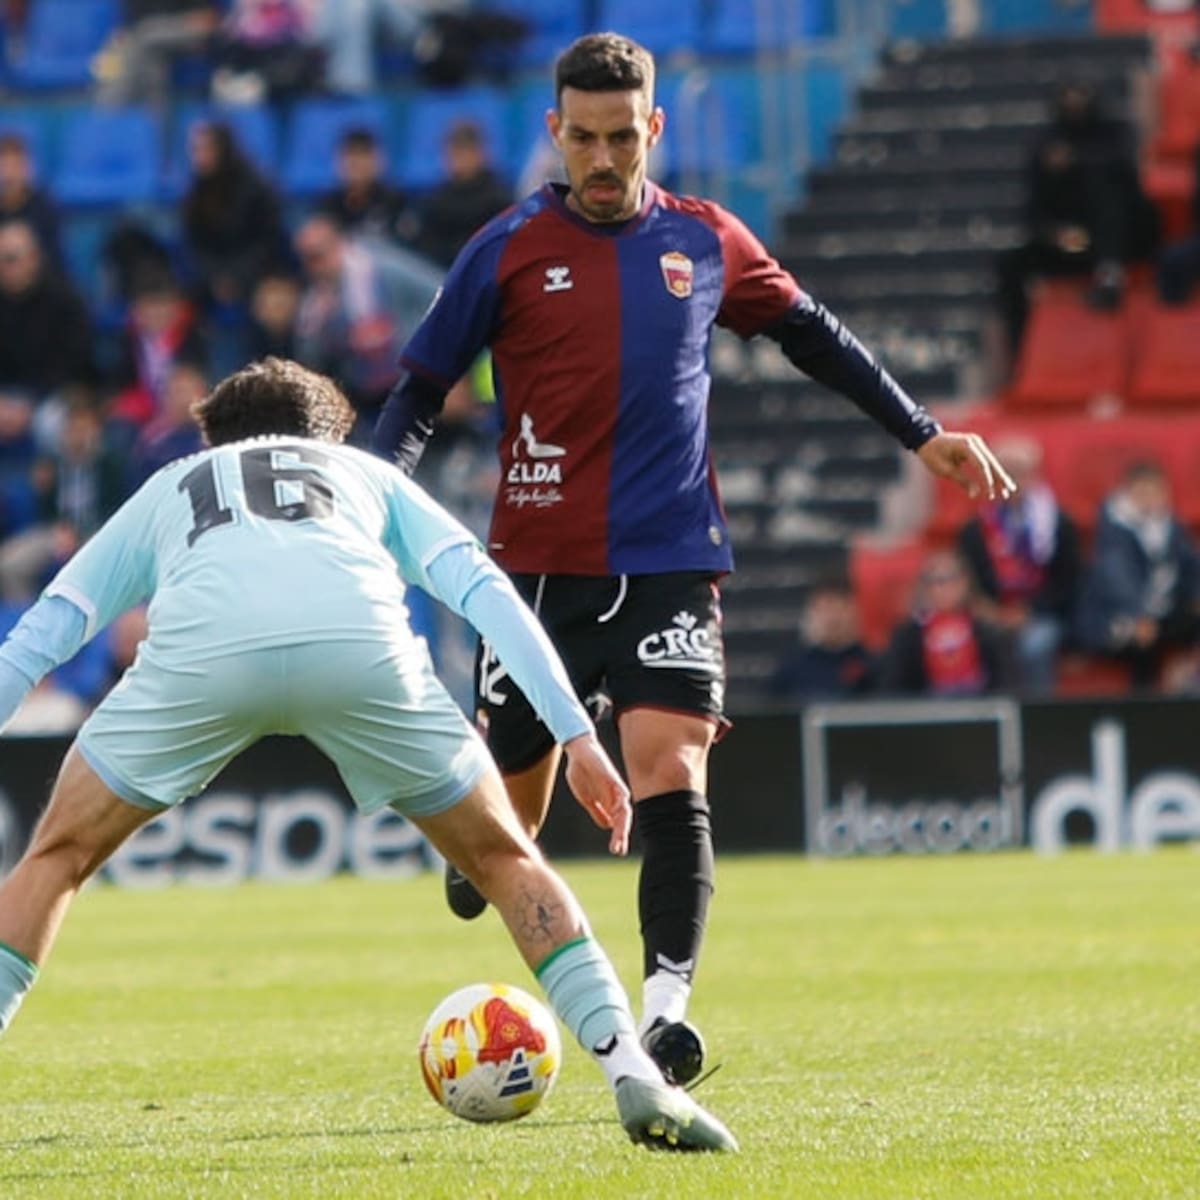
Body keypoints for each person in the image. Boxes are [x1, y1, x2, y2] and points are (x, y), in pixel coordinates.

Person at [372, 31, 1015, 1086]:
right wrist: (366, 496)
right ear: (554, 132)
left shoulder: (707, 239)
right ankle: (476, 851)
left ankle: (665, 1012)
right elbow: (415, 394)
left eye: (622, 137)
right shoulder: (504, 248)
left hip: (671, 557)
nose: (602, 158)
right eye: (582, 138)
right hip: (533, 573)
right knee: (508, 820)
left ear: (654, 130)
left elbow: (814, 332)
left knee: (670, 762)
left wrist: (920, 430)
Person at [0, 356, 736, 1153]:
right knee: (503, 858)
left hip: (205, 654)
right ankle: (632, 1068)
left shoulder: (176, 480)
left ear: (218, 436)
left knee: (58, 856)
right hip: (360, 646)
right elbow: (483, 589)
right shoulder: (361, 472)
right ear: (328, 431)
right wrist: (576, 734)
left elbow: (50, 626)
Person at [994, 81, 1160, 360]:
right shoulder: (1046, 148)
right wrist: (1053, 233)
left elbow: (1131, 188)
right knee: (1010, 264)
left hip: (1118, 243)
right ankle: (1019, 352)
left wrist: (1078, 161)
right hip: (1070, 244)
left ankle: (1110, 275)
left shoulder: (1113, 136)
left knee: (1104, 193)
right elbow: (1034, 211)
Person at [293, 214, 442, 434]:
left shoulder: (383, 269)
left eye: (320, 255)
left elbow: (441, 291)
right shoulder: (314, 304)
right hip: (365, 397)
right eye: (309, 260)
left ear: (338, 244)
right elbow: (310, 363)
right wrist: (319, 327)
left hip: (415, 378)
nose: (317, 267)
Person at [956, 434, 1080, 694]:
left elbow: (1070, 583)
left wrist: (1029, 611)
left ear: (1035, 476)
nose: (1012, 480)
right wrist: (989, 609)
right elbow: (968, 579)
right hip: (992, 614)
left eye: (1020, 472)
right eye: (1005, 472)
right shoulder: (976, 529)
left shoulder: (1058, 524)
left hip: (1042, 614)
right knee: (979, 640)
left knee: (1035, 644)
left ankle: (1035, 717)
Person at [1076, 459, 1200, 689]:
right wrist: (1138, 614)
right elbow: (1117, 578)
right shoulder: (1114, 529)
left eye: (1156, 492)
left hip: (1162, 611)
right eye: (1143, 492)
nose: (1150, 498)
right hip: (1114, 616)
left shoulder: (1171, 526)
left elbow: (1191, 565)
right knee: (1142, 640)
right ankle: (1142, 710)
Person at [877, 549, 1016, 696]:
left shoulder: (987, 632)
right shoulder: (908, 636)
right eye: (935, 581)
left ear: (965, 583)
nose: (943, 588)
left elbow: (1004, 686)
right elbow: (894, 690)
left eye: (950, 579)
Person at [181, 121, 286, 309]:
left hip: (254, 272)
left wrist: (236, 277)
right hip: (212, 277)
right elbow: (195, 245)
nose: (199, 157)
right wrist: (216, 277)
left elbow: (266, 241)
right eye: (195, 150)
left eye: (206, 149)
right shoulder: (194, 192)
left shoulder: (255, 188)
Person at [415, 119, 514, 269]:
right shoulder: (435, 201)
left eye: (464, 151)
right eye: (454, 152)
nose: (458, 159)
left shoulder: (499, 199)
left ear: (480, 153)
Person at [767, 578, 876, 702]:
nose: (832, 618)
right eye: (824, 609)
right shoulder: (791, 667)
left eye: (839, 608)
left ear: (854, 610)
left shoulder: (871, 665)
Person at [319, 127, 417, 247]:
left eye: (363, 155)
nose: (356, 164)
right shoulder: (327, 207)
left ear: (379, 160)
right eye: (350, 156)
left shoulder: (396, 202)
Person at [0, 132, 62, 269]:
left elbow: (54, 259)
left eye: (16, 166)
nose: (9, 174)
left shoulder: (45, 209)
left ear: (28, 169)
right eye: (5, 166)